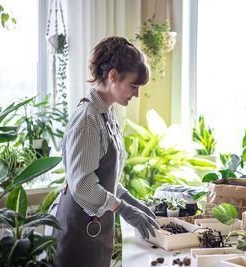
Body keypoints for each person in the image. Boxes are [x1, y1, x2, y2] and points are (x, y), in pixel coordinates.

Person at [51, 36, 159, 267]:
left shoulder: (107, 114)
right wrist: (125, 210)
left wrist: (133, 202)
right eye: (133, 85)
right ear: (113, 76)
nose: (137, 94)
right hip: (78, 232)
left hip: (96, 229)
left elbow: (104, 177)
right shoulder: (87, 120)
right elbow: (83, 185)